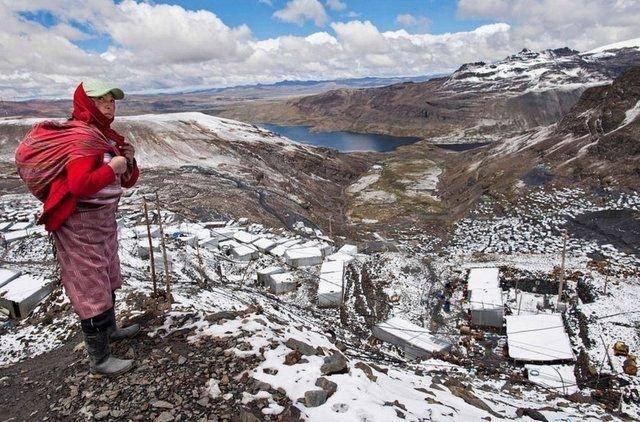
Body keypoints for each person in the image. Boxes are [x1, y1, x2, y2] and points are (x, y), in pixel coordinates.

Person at [15, 79, 140, 377]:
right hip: (80, 222)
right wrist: (113, 167)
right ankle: (99, 359)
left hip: (101, 222)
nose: (109, 104)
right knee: (90, 283)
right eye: (101, 100)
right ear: (85, 102)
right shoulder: (83, 138)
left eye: (112, 99)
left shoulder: (103, 136)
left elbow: (126, 181)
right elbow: (80, 185)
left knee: (107, 273)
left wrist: (128, 163)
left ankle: (110, 331)